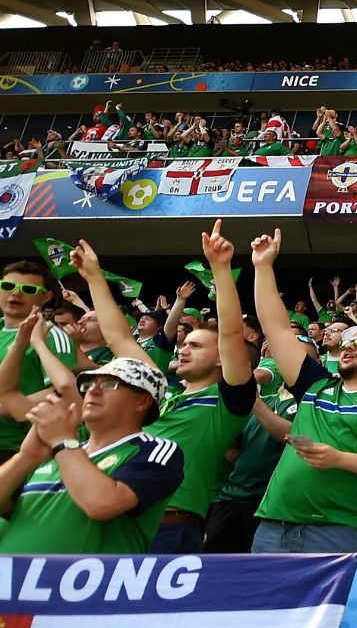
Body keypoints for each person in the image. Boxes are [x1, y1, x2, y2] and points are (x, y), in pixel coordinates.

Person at [76, 226, 255, 553]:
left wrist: (220, 269)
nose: (183, 349)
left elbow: (230, 334)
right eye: (184, 343)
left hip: (169, 528)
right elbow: (120, 340)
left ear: (223, 361)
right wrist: (93, 277)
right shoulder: (160, 390)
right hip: (106, 518)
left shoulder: (226, 403)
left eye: (197, 346)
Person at [249, 229, 357, 553]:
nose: (348, 347)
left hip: (341, 530)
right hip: (274, 523)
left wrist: (338, 459)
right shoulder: (314, 384)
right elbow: (275, 328)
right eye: (345, 343)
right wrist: (263, 268)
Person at [0, 337, 184, 555]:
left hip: (82, 586)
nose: (92, 392)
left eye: (109, 384)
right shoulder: (59, 452)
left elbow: (101, 504)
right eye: (88, 385)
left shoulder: (154, 450)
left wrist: (63, 442)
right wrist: (25, 458)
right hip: (15, 584)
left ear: (142, 401)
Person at [0, 258, 77, 464]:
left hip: (17, 448)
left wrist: (4, 408)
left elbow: (61, 392)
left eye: (28, 289)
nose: (16, 293)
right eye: (8, 286)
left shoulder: (51, 335)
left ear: (46, 297)